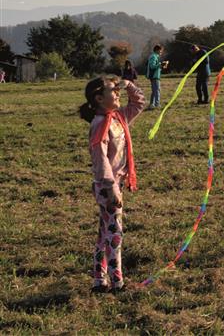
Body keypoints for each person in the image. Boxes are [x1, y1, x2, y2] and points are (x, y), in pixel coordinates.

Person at [78, 75, 145, 293]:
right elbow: (101, 159)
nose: (117, 94)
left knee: (104, 233)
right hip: (108, 187)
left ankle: (99, 279)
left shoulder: (118, 117)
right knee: (114, 233)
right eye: (112, 91)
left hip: (113, 184)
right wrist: (112, 186)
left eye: (117, 91)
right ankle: (117, 281)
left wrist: (129, 86)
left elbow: (139, 103)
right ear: (99, 98)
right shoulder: (100, 124)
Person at [145, 45, 168, 110]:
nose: (161, 52)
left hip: (154, 76)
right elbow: (152, 66)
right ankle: (157, 104)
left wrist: (162, 65)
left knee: (154, 91)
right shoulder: (154, 57)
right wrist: (161, 64)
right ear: (157, 50)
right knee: (157, 90)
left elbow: (155, 66)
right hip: (154, 76)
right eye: (161, 50)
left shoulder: (154, 56)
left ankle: (151, 104)